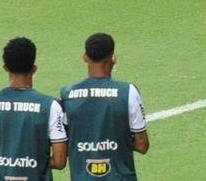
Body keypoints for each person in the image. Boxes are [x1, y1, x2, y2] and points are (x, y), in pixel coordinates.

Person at [0, 37, 68, 180]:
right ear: (34, 68)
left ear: (5, 67)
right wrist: (30, 162)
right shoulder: (51, 106)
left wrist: (8, 161)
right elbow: (59, 162)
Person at [59, 33, 149, 180]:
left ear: (85, 57)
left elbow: (64, 144)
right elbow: (142, 145)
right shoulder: (128, 92)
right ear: (113, 58)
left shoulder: (67, 93)